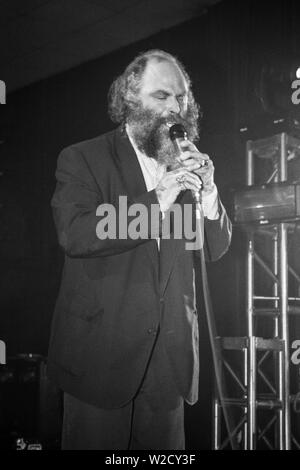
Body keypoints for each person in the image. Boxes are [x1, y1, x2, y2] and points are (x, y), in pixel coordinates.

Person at [47, 49, 232, 450]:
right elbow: (76, 233)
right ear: (131, 98)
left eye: (182, 97)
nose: (176, 108)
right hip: (101, 358)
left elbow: (213, 248)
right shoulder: (84, 158)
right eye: (162, 96)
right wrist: (158, 199)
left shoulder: (183, 163)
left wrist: (211, 194)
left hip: (170, 364)